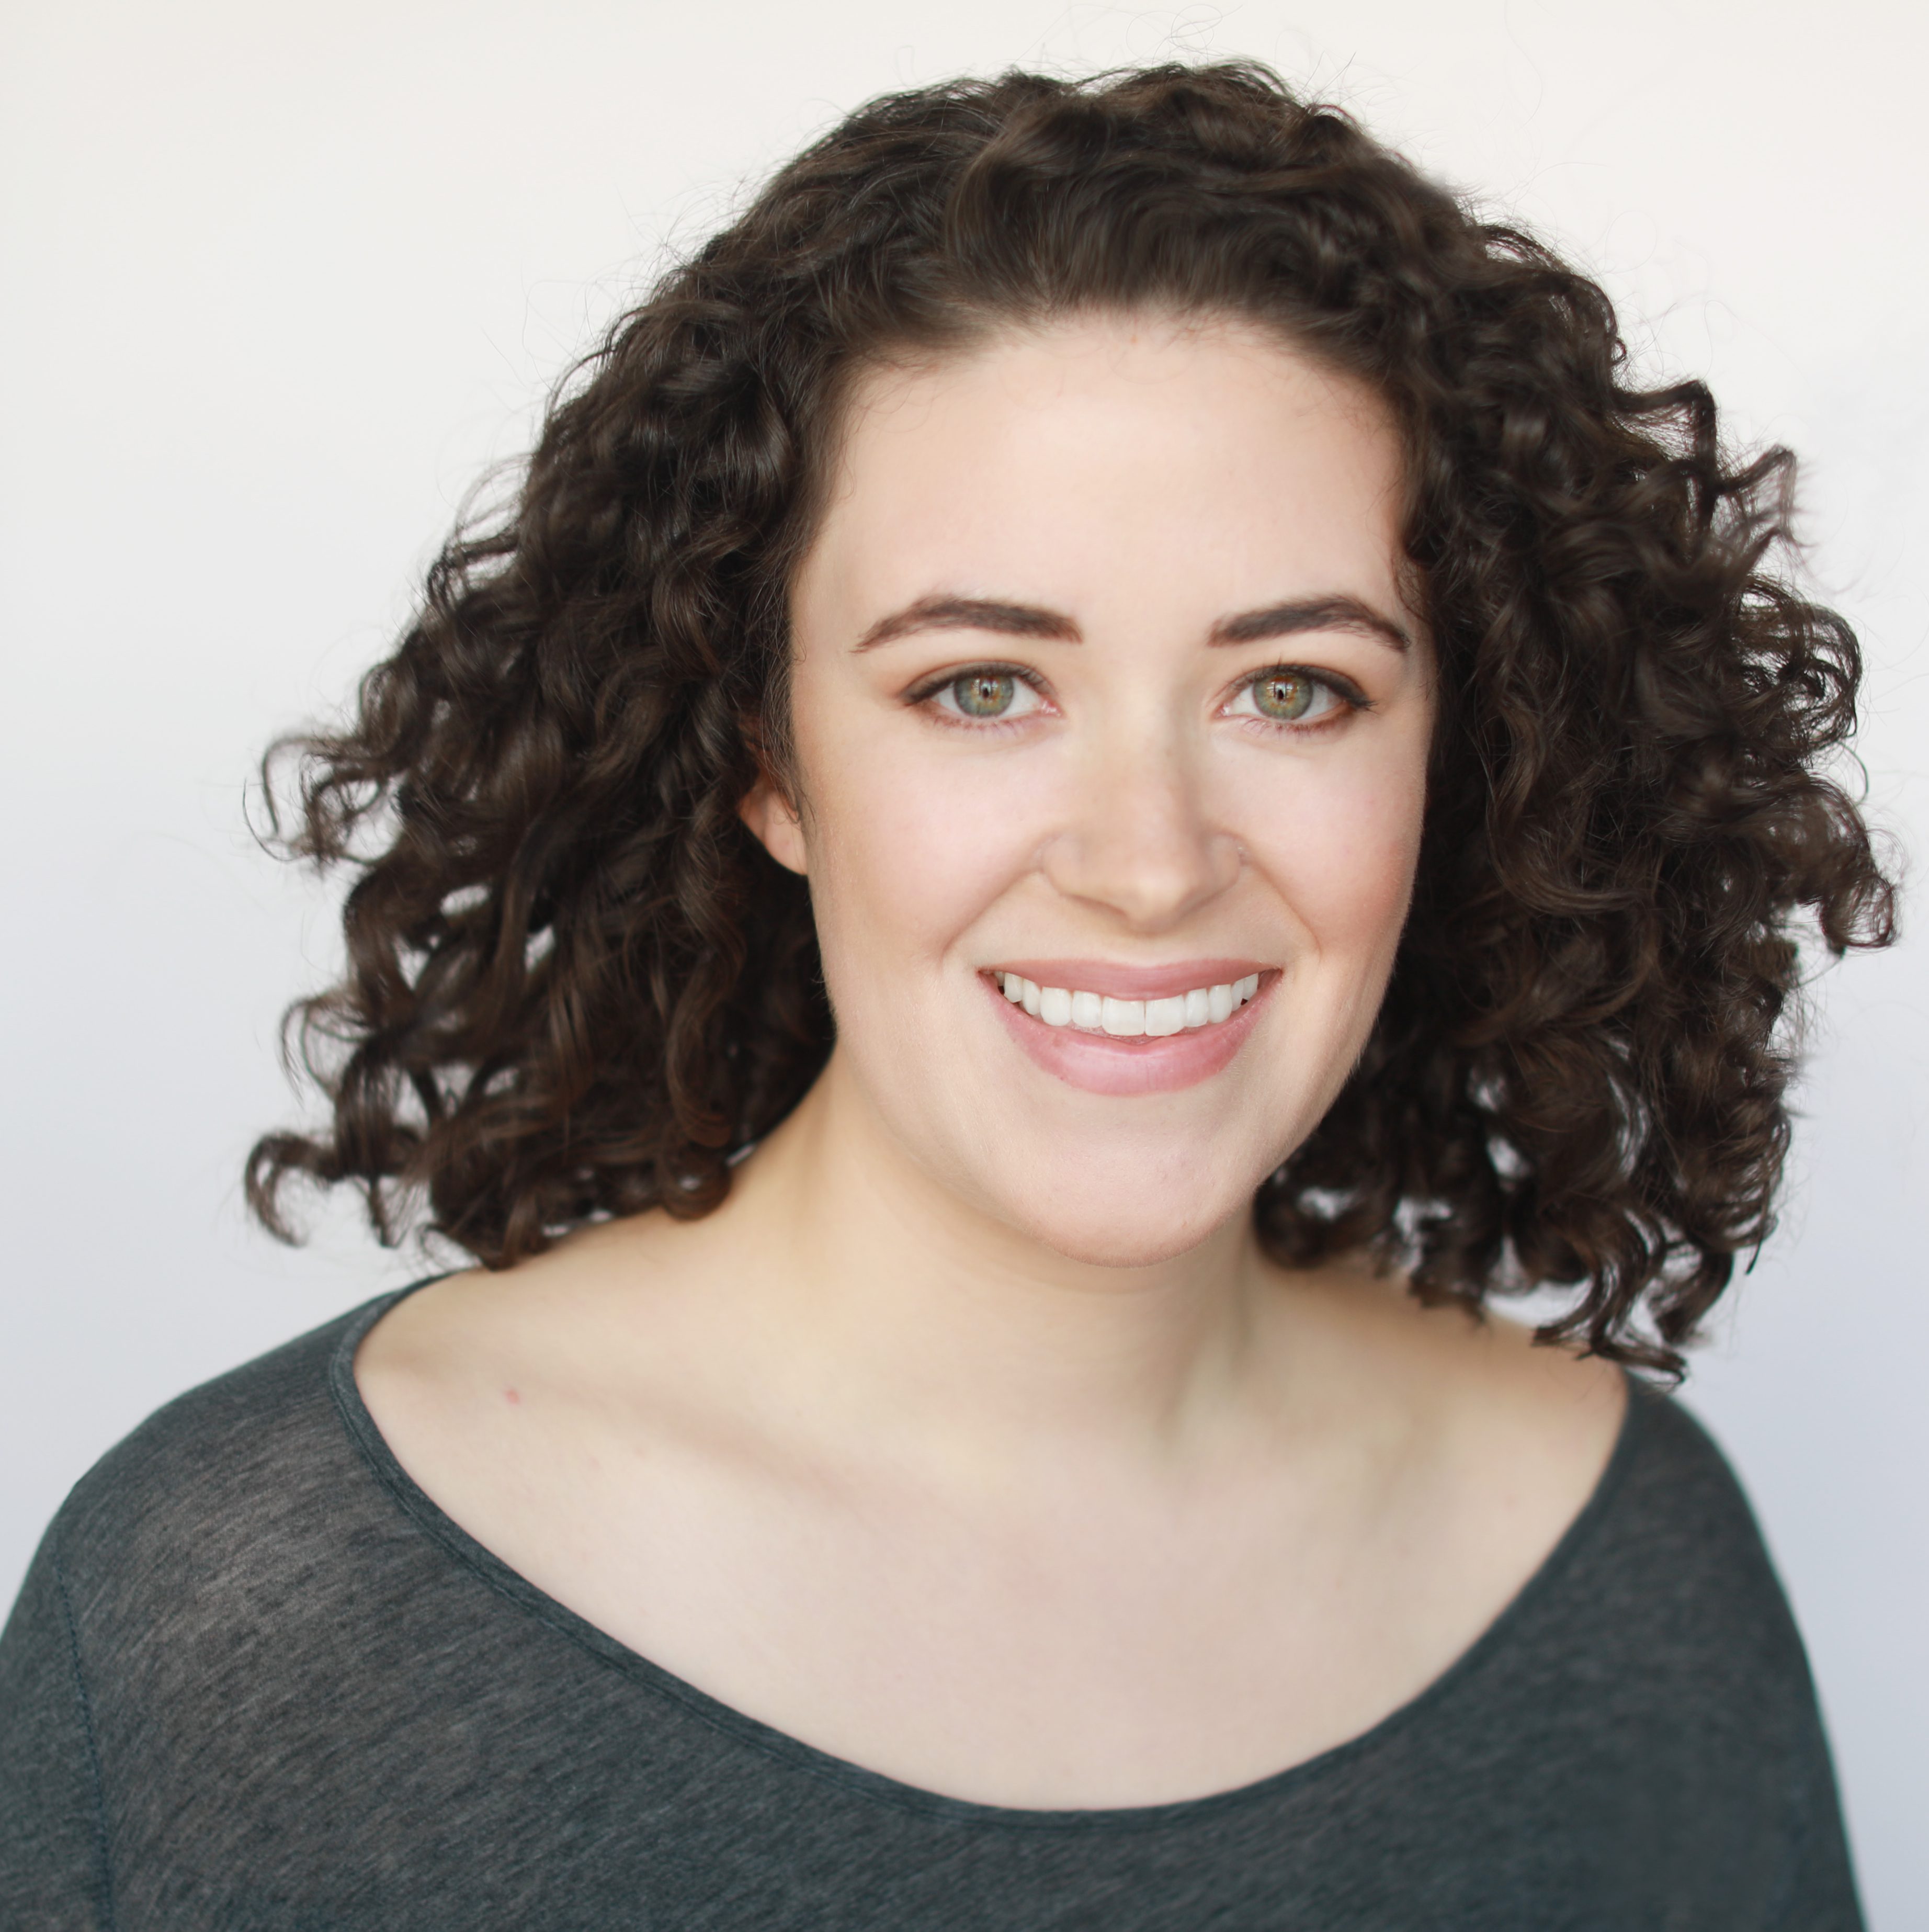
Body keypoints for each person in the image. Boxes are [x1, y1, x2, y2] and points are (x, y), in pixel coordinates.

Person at [0, 61, 1894, 1929]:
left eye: (1293, 689)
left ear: (1460, 752)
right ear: (769, 758)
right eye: (982, 687)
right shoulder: (249, 1629)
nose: (1149, 860)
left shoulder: (1622, 1571)